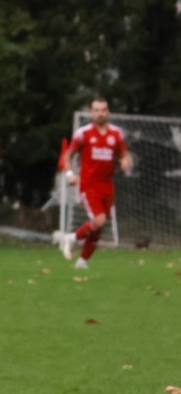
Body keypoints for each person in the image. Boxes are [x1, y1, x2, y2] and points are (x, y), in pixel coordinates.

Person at [59, 97, 131, 269]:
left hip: (107, 185)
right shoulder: (83, 133)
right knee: (99, 220)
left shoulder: (116, 133)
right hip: (89, 184)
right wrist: (70, 174)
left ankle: (82, 262)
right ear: (91, 113)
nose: (100, 113)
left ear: (109, 112)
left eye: (103, 110)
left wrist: (125, 161)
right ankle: (71, 238)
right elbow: (68, 155)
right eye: (97, 110)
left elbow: (124, 153)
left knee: (99, 228)